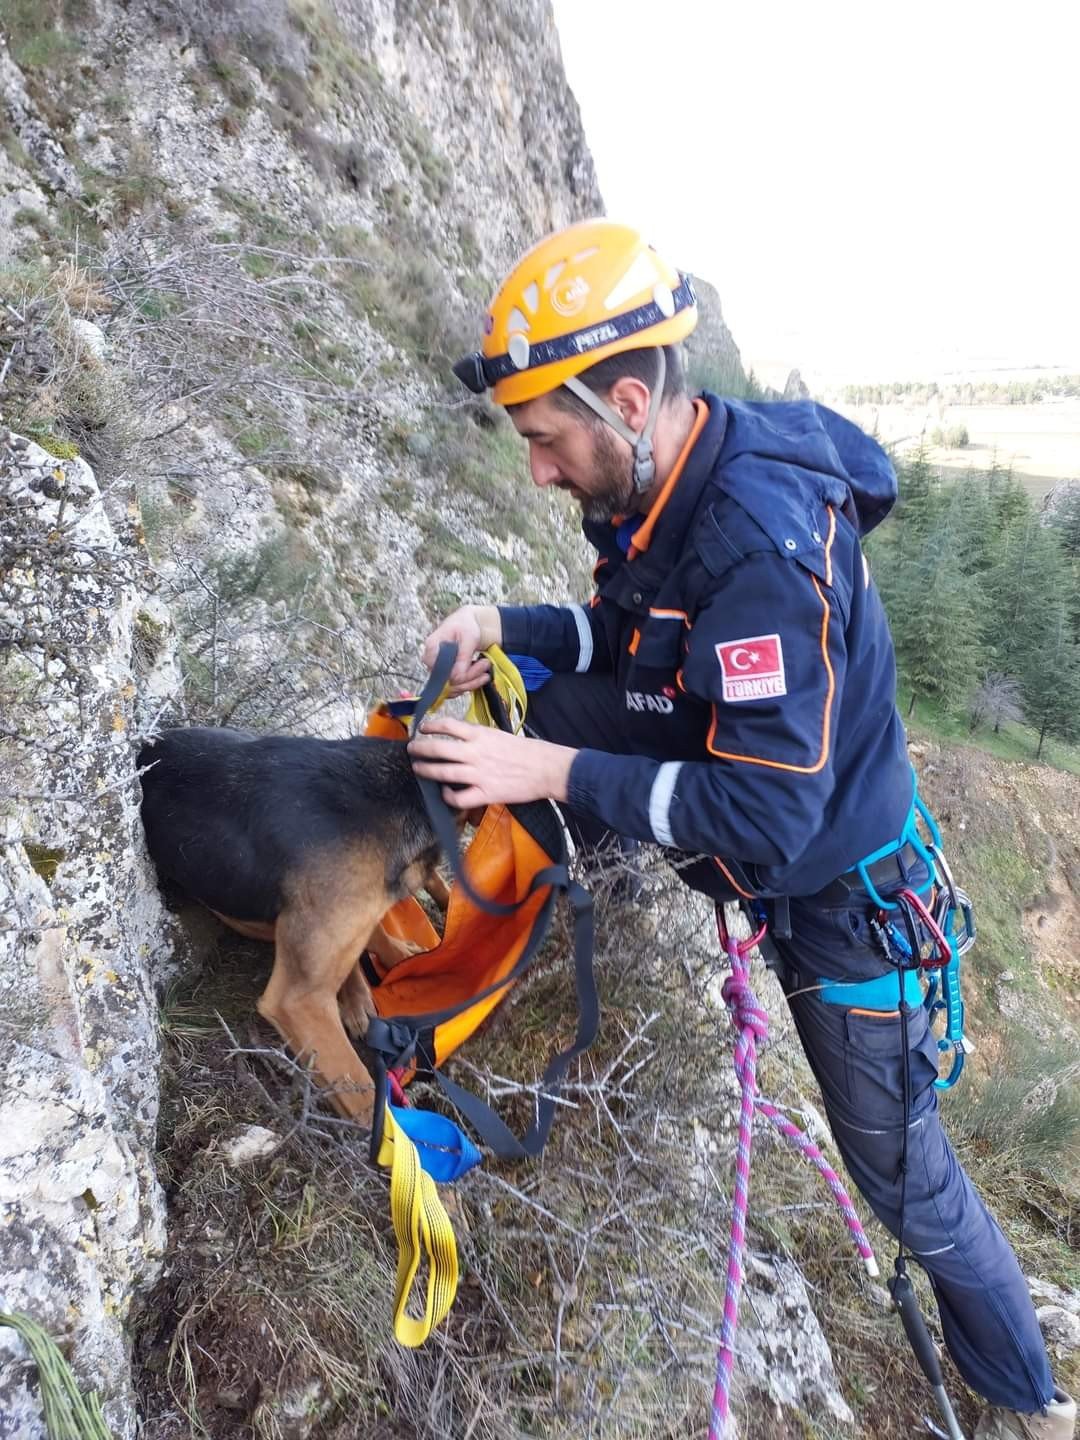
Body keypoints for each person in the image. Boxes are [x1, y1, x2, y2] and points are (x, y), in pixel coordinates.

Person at [407, 220, 1075, 1440]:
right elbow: (635, 643)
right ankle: (494, 952)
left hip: (839, 902)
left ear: (625, 404)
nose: (539, 473)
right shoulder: (669, 486)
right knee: (547, 702)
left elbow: (765, 817)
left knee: (907, 1181)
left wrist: (543, 766)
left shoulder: (758, 546)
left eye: (547, 440)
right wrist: (502, 626)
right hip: (792, 843)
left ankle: (1030, 1398)